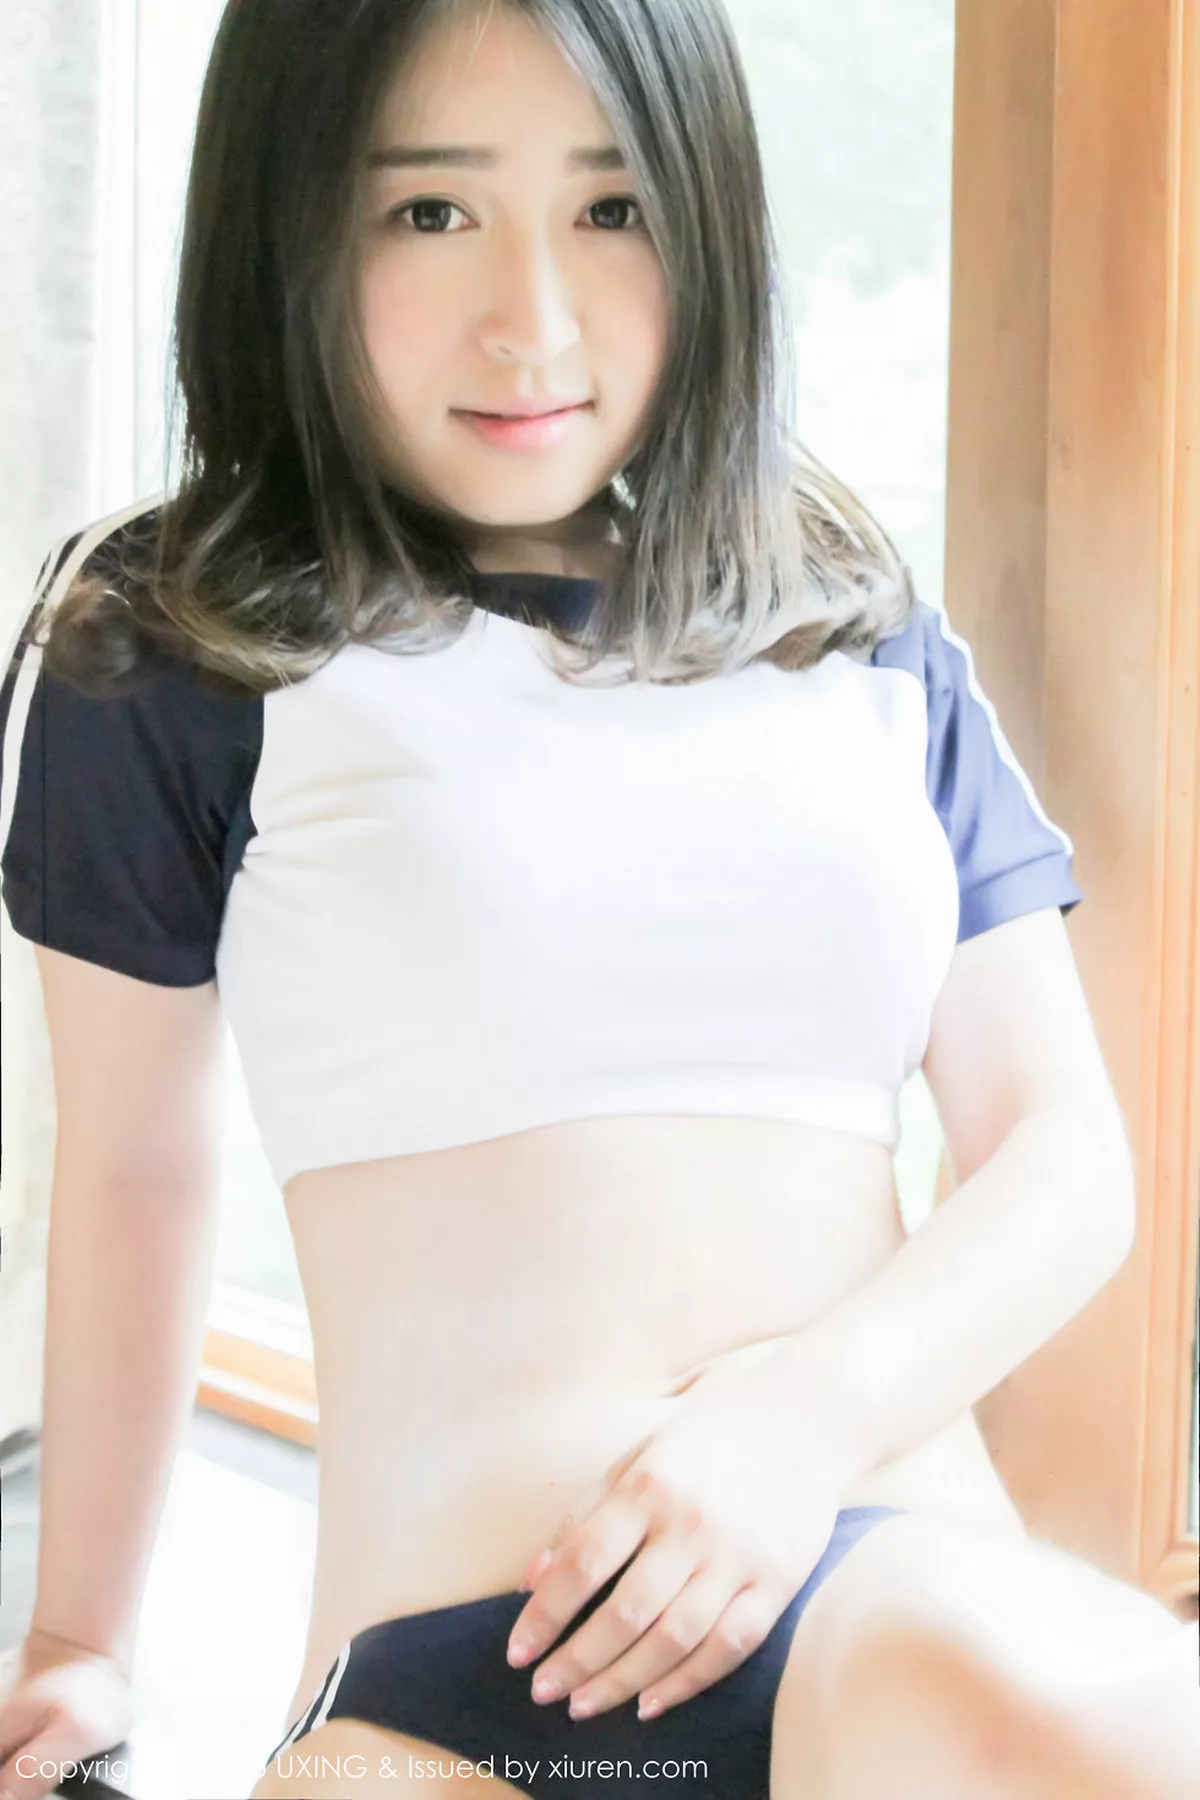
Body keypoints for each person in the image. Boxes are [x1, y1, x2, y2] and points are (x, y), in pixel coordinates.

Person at [1, 2, 1197, 1797]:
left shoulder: (851, 624)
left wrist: (798, 1426)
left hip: (883, 1617)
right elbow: (133, 1171)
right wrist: (80, 1642)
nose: (535, 321)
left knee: (1085, 1716)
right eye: (430, 211)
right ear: (288, 228)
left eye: (613, 207)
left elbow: (1065, 1156)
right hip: (447, 1678)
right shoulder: (176, 643)